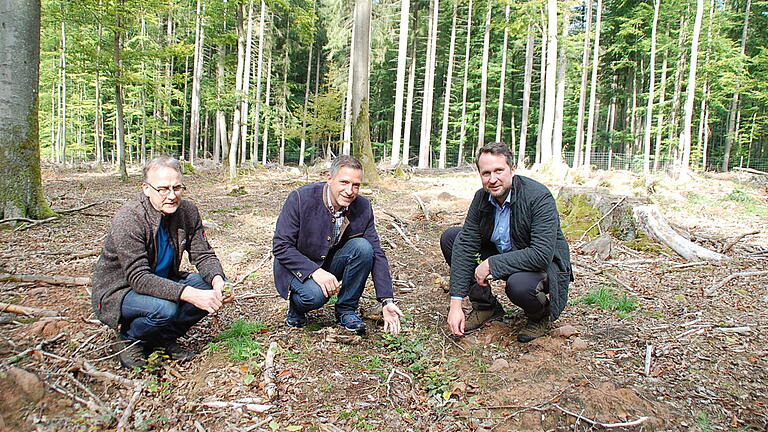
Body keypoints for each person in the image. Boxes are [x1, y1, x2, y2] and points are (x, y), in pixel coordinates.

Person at [91, 156, 227, 368]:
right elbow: (138, 278)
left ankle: (161, 339)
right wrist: (190, 295)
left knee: (210, 285)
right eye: (163, 189)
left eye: (177, 187)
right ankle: (129, 339)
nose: (172, 195)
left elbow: (203, 254)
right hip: (121, 290)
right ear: (146, 188)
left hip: (162, 279)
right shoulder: (129, 218)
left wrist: (219, 281)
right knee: (164, 309)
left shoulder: (187, 212)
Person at [442, 142, 572, 342]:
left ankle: (540, 316)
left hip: (543, 264)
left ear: (512, 169)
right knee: (452, 238)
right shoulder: (481, 198)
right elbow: (466, 243)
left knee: (519, 285)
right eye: (486, 173)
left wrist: (492, 264)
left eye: (499, 171)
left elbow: (541, 254)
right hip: (505, 251)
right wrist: (456, 304)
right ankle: (486, 307)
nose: (492, 179)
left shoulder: (538, 197)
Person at [272, 155, 403, 335]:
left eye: (356, 185)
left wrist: (386, 300)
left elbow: (377, 252)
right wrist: (315, 272)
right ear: (329, 179)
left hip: (329, 262)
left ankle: (346, 310)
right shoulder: (300, 198)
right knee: (314, 296)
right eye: (344, 182)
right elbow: (281, 246)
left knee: (363, 248)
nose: (350, 191)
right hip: (296, 266)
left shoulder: (363, 207)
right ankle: (297, 307)